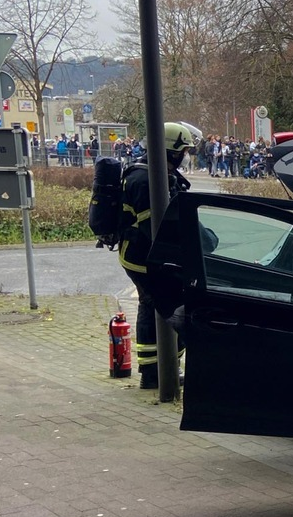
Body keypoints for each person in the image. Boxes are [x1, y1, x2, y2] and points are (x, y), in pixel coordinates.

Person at [119, 122, 197, 389]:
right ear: (171, 151)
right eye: (183, 151)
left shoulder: (156, 173)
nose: (185, 155)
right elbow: (156, 228)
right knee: (164, 306)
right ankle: (157, 372)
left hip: (144, 255)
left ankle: (159, 369)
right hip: (143, 258)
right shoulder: (146, 179)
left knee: (152, 305)